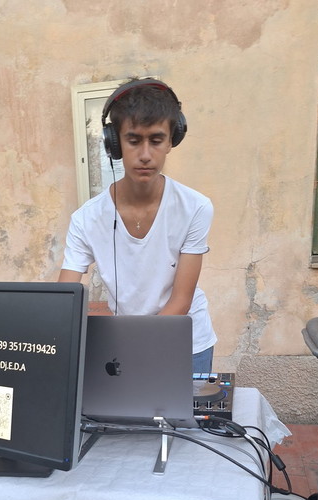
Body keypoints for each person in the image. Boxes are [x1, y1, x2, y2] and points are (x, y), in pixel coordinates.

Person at [59, 77, 216, 373]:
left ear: (171, 141)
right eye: (133, 140)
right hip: (127, 344)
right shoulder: (86, 219)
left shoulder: (196, 207)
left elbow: (181, 300)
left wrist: (133, 351)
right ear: (114, 143)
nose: (145, 155)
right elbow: (64, 298)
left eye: (156, 140)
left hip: (187, 343)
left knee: (186, 408)